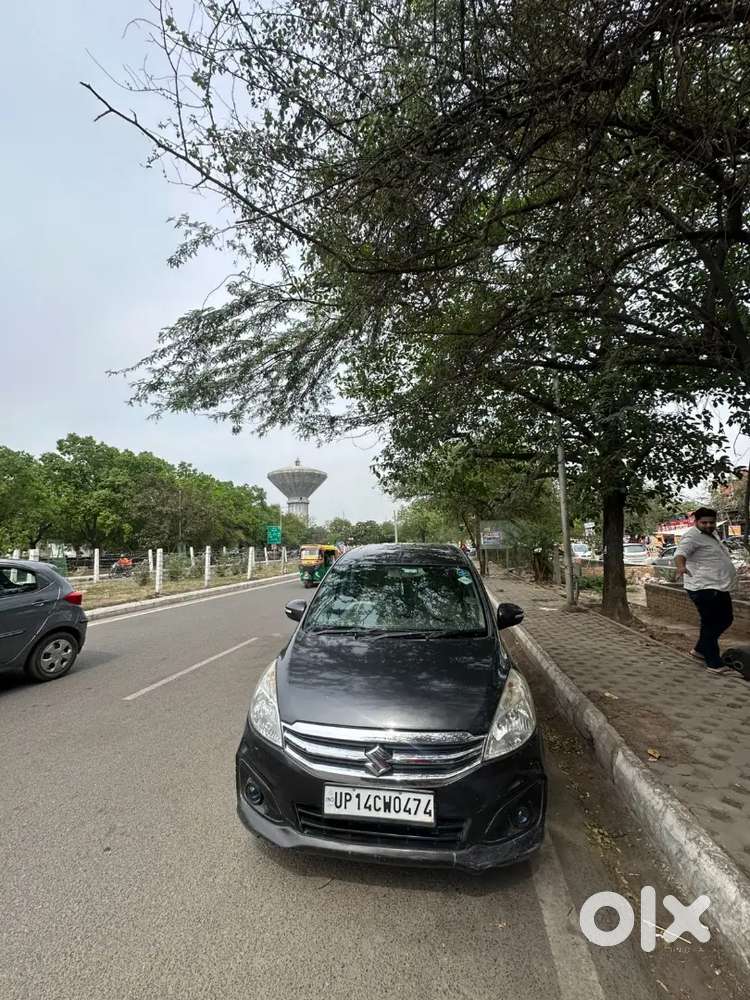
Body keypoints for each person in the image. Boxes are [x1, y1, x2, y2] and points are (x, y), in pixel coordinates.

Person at [674, 508, 736, 675]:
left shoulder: (711, 534)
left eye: (711, 522)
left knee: (725, 619)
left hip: (718, 586)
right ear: (696, 522)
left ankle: (700, 650)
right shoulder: (692, 536)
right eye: (704, 522)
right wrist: (681, 566)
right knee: (711, 624)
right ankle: (714, 664)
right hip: (703, 588)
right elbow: (680, 553)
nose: (709, 525)